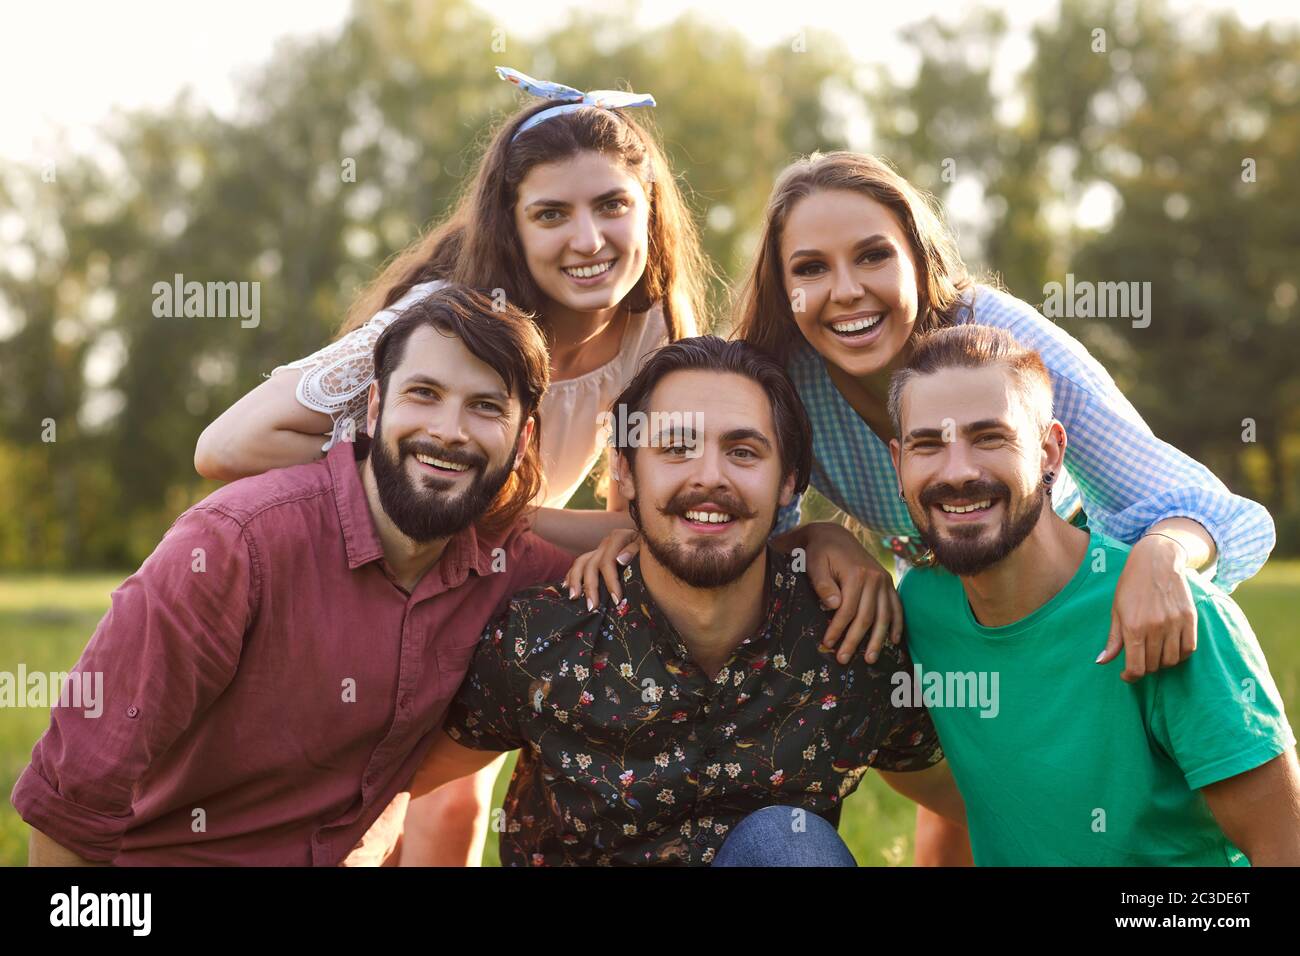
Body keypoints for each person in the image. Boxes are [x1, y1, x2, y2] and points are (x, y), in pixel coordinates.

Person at [194, 75, 894, 864]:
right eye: (552, 214)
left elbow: (692, 500)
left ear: (650, 211)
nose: (588, 240)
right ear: (513, 227)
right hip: (375, 552)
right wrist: (477, 506)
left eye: (612, 206)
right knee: (371, 784)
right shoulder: (455, 321)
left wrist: (816, 544)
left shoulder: (651, 321)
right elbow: (226, 447)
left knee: (458, 791)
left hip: (486, 566)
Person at [575, 150, 1277, 863]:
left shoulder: (999, 346)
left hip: (1062, 572)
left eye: (873, 256)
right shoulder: (782, 375)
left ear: (920, 259)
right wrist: (821, 537)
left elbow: (1211, 507)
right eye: (810, 268)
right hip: (940, 595)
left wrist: (1162, 556)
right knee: (980, 786)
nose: (845, 292)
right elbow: (740, 547)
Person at [15, 286, 576, 865]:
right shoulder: (230, 546)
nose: (450, 430)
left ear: (523, 437)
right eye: (423, 394)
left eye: (485, 407)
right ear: (377, 406)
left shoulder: (511, 569)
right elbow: (73, 797)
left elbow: (658, 566)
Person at [396, 336, 968, 866]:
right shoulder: (541, 640)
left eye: (743, 452)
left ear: (790, 481)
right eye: (676, 447)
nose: (709, 477)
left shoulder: (849, 647)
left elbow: (969, 800)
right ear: (626, 469)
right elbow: (396, 783)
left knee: (789, 844)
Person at [887, 323, 1299, 865]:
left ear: (1051, 452)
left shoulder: (1174, 613)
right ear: (898, 462)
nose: (958, 470)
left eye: (990, 437)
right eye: (927, 444)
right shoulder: (920, 608)